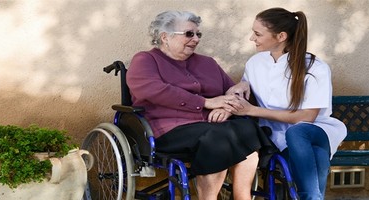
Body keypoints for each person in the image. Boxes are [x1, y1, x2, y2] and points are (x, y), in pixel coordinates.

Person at [126, 10, 266, 200]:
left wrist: (230, 101)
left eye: (198, 34)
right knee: (219, 137)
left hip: (213, 127)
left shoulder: (207, 63)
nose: (196, 39)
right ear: (164, 37)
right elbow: (152, 90)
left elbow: (230, 91)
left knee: (247, 128)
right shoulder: (145, 60)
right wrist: (206, 102)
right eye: (189, 34)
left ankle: (242, 196)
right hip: (170, 129)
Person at [226, 7, 347, 200]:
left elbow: (307, 117)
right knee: (316, 155)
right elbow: (247, 83)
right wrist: (239, 86)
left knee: (297, 131)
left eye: (257, 34)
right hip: (275, 137)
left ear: (281, 36)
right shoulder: (255, 63)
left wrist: (254, 110)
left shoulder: (315, 67)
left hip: (315, 130)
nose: (252, 38)